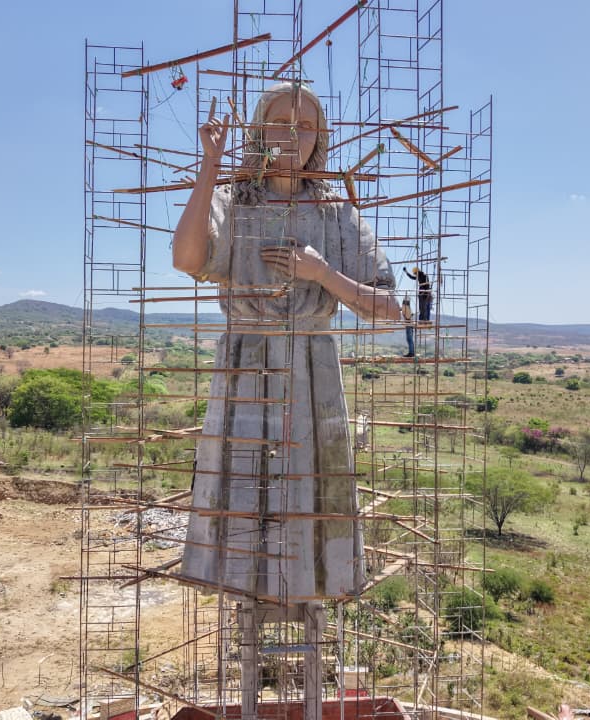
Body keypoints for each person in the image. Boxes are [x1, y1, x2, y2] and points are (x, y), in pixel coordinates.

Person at [172, 81, 400, 602]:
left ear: (319, 138)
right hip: (246, 364)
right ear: (258, 131)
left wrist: (322, 273)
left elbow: (390, 309)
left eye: (304, 125)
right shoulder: (234, 204)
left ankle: (314, 587)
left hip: (313, 370)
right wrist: (211, 165)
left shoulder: (337, 217)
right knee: (244, 487)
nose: (291, 134)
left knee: (310, 490)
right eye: (279, 121)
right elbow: (187, 259)